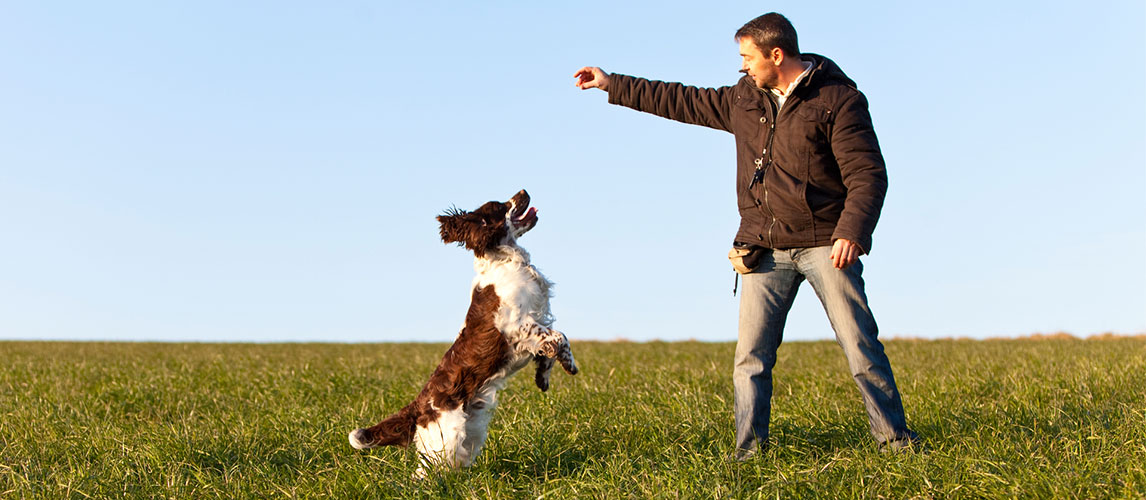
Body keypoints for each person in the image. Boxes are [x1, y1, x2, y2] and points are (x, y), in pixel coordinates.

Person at [574, 12, 919, 458]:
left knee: (860, 348)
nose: (742, 66)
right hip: (763, 248)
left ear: (777, 55)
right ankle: (748, 455)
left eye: (748, 57)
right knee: (750, 360)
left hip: (825, 244)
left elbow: (868, 174)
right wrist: (611, 83)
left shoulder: (839, 100)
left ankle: (894, 444)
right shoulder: (745, 98)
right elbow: (683, 100)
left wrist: (852, 231)